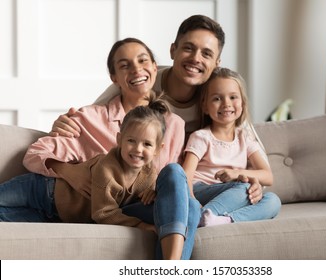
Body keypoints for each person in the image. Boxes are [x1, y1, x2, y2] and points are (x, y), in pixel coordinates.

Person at [0, 37, 200, 260]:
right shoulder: (91, 117)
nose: (136, 69)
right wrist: (69, 171)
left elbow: (170, 179)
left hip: (124, 207)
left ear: (155, 67)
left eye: (143, 60)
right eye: (125, 65)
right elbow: (37, 152)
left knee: (189, 206)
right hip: (62, 197)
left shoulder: (174, 125)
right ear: (114, 78)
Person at [50, 14, 265, 205]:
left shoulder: (218, 97)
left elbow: (246, 145)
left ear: (216, 63)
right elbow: (97, 117)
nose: (195, 58)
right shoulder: (143, 80)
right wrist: (64, 124)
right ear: (173, 50)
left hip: (188, 183)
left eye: (206, 54)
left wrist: (251, 182)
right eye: (188, 48)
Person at [0, 96, 166, 233]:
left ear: (158, 149)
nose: (138, 149)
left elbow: (143, 193)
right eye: (131, 140)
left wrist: (151, 193)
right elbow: (104, 214)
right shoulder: (107, 169)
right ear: (119, 140)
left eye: (147, 144)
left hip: (57, 215)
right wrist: (141, 226)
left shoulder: (150, 175)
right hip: (43, 189)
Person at [182, 67, 281, 227]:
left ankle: (222, 220)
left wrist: (236, 173)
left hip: (233, 191)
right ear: (205, 106)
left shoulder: (245, 138)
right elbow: (186, 175)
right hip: (202, 190)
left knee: (273, 201)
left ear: (242, 103)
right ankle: (199, 215)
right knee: (243, 189)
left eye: (233, 97)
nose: (226, 104)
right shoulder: (201, 137)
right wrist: (192, 201)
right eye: (217, 99)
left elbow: (267, 176)